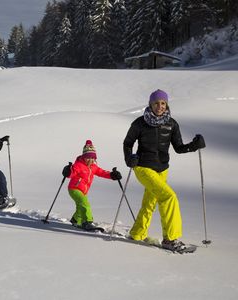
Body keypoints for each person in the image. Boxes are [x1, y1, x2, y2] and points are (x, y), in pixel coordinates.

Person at [123, 89, 206, 251]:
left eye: (163, 103)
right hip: (143, 167)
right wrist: (129, 158)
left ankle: (137, 233)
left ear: (166, 104)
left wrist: (194, 146)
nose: (160, 106)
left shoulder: (172, 123)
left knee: (150, 203)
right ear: (150, 104)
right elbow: (127, 143)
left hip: (162, 169)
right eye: (156, 103)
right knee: (169, 197)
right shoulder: (139, 123)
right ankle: (170, 239)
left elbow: (179, 148)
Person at [62, 140, 122, 231]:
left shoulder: (93, 167)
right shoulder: (78, 165)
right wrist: (68, 171)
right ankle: (87, 222)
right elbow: (72, 173)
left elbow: (101, 172)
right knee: (85, 203)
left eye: (93, 158)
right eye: (88, 157)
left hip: (83, 190)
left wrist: (112, 175)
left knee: (80, 205)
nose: (90, 160)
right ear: (83, 157)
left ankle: (76, 220)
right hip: (74, 189)